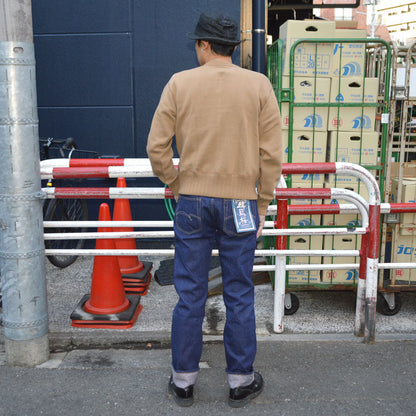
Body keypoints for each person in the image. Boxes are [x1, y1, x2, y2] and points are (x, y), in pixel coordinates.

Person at [147, 10, 282, 408]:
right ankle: (240, 381)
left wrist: (175, 182)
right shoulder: (258, 85)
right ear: (232, 49)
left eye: (197, 44)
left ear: (204, 45)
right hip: (240, 201)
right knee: (239, 292)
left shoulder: (180, 84)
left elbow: (157, 148)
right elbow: (271, 154)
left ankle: (183, 381)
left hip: (191, 201)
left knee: (190, 294)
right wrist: (261, 204)